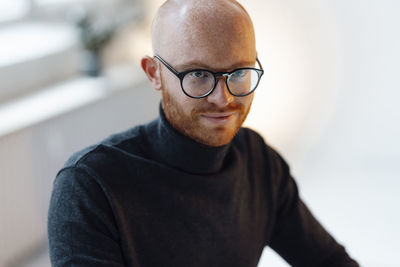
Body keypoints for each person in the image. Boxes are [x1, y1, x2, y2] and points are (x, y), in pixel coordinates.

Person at [48, 0, 360, 266]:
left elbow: (330, 262)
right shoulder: (89, 185)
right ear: (154, 74)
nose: (223, 98)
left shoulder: (258, 161)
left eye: (238, 72)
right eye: (198, 74)